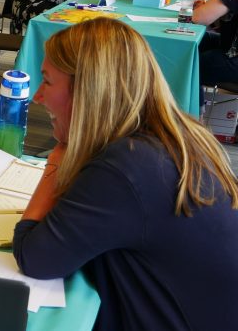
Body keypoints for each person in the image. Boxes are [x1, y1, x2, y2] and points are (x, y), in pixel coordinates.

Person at [12, 18, 238, 330]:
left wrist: (58, 158)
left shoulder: (125, 167)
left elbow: (35, 258)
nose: (38, 96)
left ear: (88, 91)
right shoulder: (178, 137)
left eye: (47, 82)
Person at [193, 0, 238, 91]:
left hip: (234, 60)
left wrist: (198, 10)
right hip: (230, 46)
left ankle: (195, 108)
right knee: (202, 39)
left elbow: (199, 18)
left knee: (189, 63)